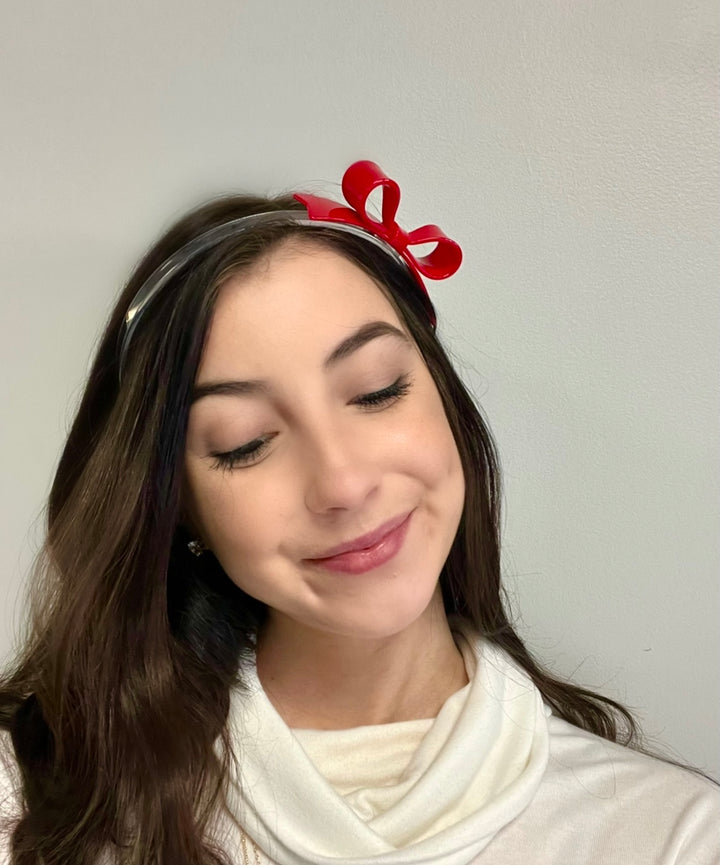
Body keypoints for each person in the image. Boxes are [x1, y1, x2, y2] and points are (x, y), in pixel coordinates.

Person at [0, 161, 717, 865]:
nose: (342, 482)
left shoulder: (672, 837)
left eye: (376, 391)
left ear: (445, 400)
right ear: (179, 508)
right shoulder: (30, 800)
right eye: (246, 443)